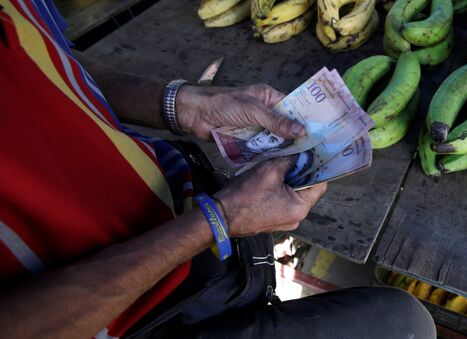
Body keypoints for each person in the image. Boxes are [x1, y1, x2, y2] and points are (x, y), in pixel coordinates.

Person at [0, 1, 437, 338]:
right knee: (403, 323)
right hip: (143, 317)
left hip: (181, 210)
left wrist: (183, 106)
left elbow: (47, 61)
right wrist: (217, 221)